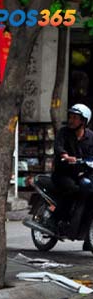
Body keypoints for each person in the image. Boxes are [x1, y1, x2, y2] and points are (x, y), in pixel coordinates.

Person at [51, 104, 93, 244]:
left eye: (75, 118)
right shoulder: (63, 132)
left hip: (82, 174)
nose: (71, 120)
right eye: (70, 117)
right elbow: (58, 146)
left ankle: (87, 238)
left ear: (83, 121)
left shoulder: (90, 137)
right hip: (63, 174)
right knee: (73, 190)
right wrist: (65, 156)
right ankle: (57, 219)